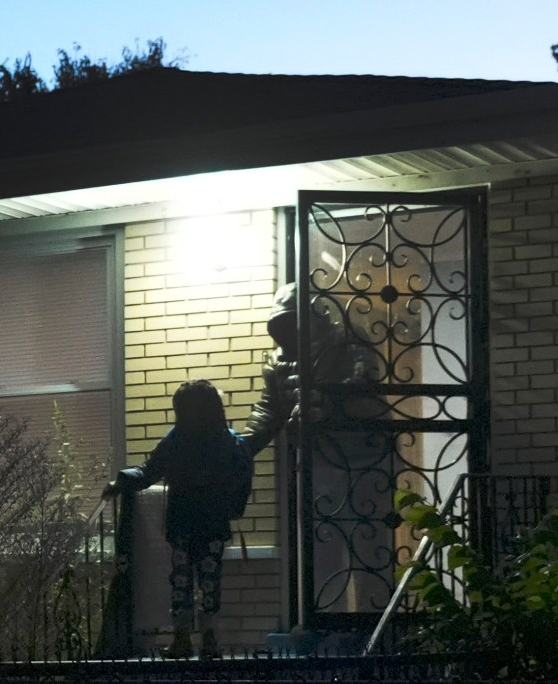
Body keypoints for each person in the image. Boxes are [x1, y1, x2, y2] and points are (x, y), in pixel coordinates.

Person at [242, 282, 395, 619]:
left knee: (370, 549)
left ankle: (377, 630)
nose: (288, 330)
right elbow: (269, 412)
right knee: (324, 551)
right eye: (282, 323)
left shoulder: (348, 340)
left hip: (365, 458)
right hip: (318, 464)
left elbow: (365, 379)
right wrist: (242, 447)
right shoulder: (278, 362)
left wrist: (326, 402)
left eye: (293, 320)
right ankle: (329, 627)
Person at [111, 379, 253, 659]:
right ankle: (203, 640)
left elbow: (148, 470)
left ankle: (186, 639)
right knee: (204, 581)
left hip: (184, 524)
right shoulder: (226, 441)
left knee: (183, 581)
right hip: (207, 524)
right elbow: (241, 478)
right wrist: (232, 508)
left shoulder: (179, 440)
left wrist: (123, 482)